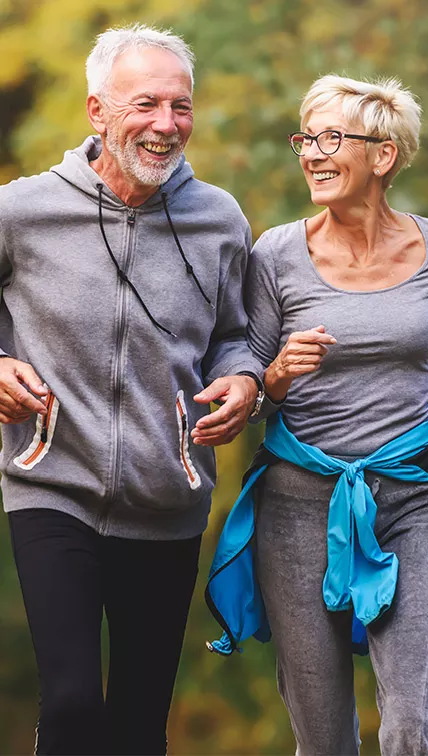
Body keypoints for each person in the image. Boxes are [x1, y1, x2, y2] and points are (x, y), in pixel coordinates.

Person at [206, 75, 428, 755]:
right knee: (325, 736)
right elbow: (250, 379)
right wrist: (276, 373)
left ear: (384, 155)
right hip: (297, 506)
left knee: (412, 722)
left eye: (331, 137)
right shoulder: (276, 253)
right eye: (305, 138)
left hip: (409, 500)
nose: (311, 152)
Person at [0, 24, 263, 756]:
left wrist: (245, 381)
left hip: (168, 498)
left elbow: (235, 335)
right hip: (51, 486)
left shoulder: (219, 219)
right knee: (76, 702)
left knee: (141, 724)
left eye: (181, 106)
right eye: (145, 103)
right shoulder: (20, 213)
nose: (166, 124)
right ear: (96, 111)